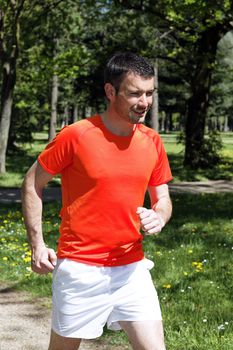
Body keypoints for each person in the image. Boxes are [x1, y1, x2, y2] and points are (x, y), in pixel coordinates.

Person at [21, 52, 173, 350]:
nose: (144, 103)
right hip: (80, 270)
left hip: (132, 269)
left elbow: (163, 199)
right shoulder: (76, 136)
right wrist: (37, 244)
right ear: (110, 91)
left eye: (149, 93)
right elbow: (31, 183)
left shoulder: (152, 140)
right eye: (134, 94)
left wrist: (160, 216)